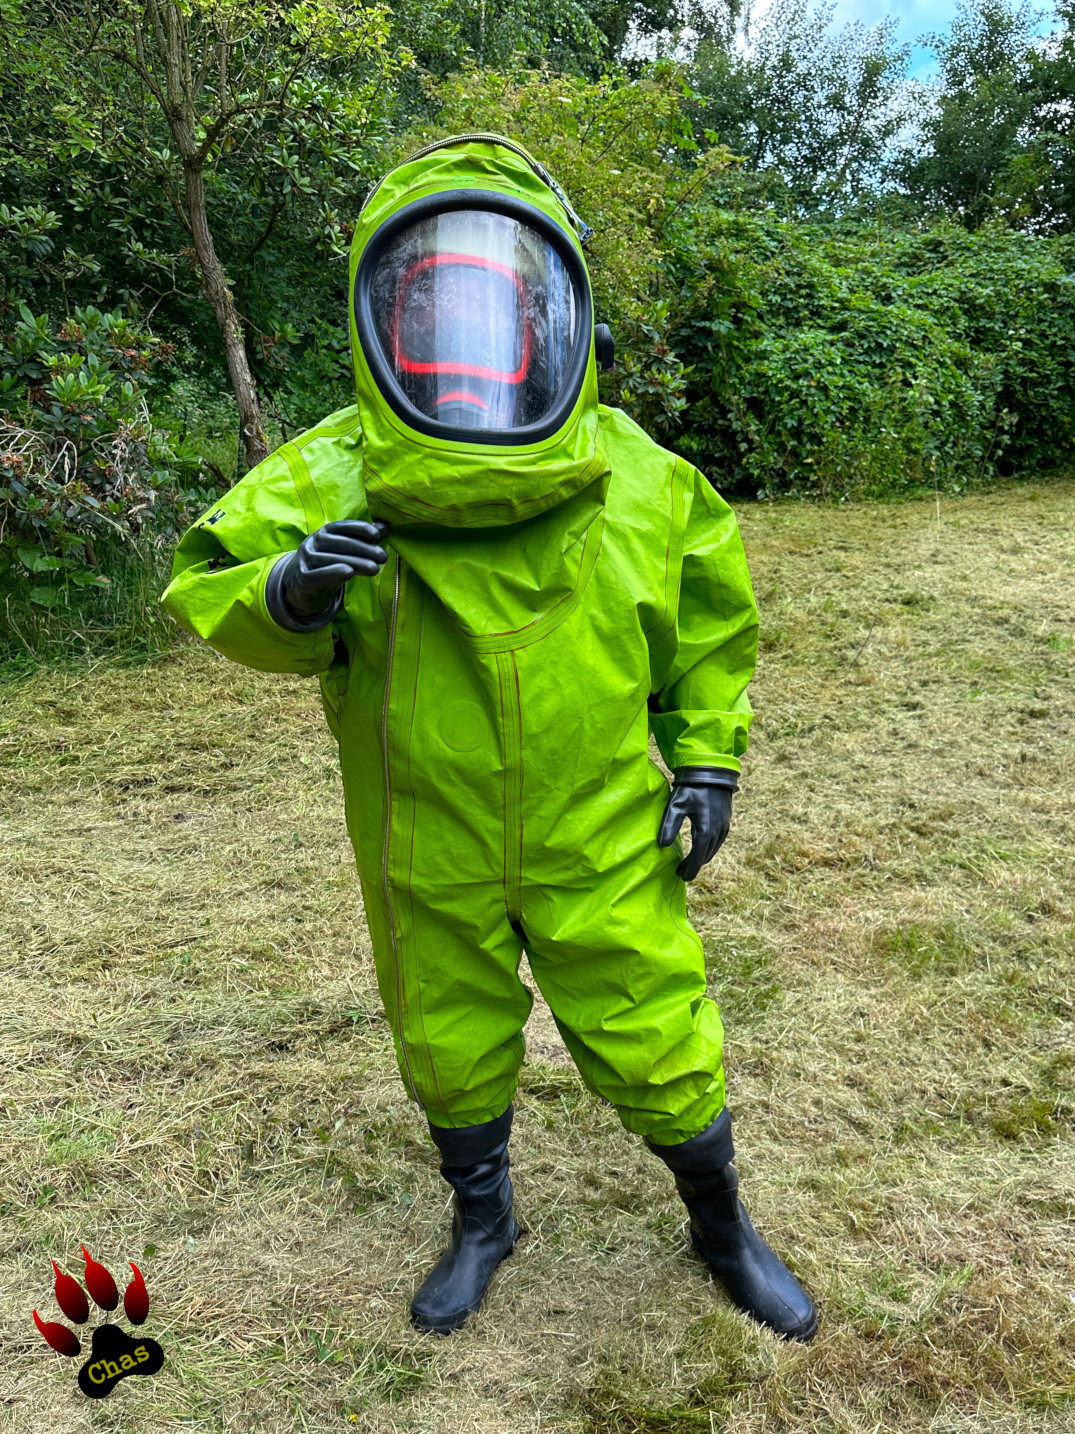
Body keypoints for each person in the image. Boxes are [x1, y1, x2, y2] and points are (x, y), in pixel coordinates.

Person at [161, 135, 817, 1342]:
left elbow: (711, 627)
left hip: (600, 826)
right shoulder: (335, 474)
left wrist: (709, 758)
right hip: (427, 832)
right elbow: (212, 581)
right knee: (445, 1028)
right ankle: (482, 1217)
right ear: (386, 316)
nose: (463, 345)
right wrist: (290, 593)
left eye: (490, 308)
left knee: (651, 1016)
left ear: (552, 320)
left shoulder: (643, 483)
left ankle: (720, 1222)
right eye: (433, 309)